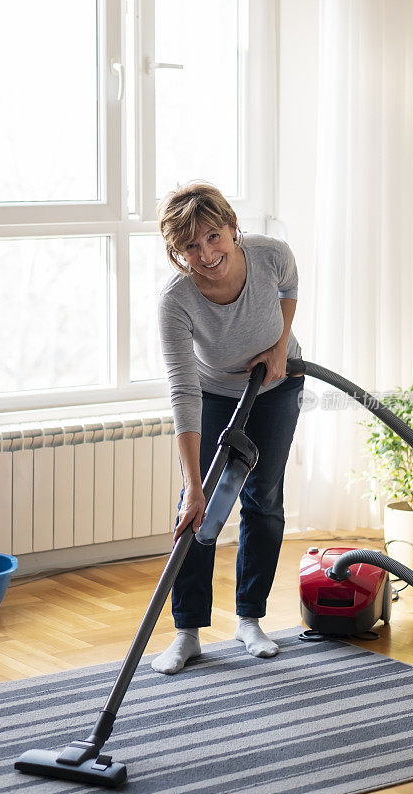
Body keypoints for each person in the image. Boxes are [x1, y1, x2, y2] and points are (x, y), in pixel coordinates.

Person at [153, 182, 304, 674]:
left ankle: (250, 619)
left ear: (232, 226)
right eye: (190, 247)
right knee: (199, 510)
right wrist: (194, 486)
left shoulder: (270, 256)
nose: (206, 254)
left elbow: (290, 286)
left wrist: (280, 347)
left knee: (264, 498)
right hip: (215, 394)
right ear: (177, 253)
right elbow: (183, 391)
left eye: (213, 237)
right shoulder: (175, 301)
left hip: (277, 387)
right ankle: (187, 631)